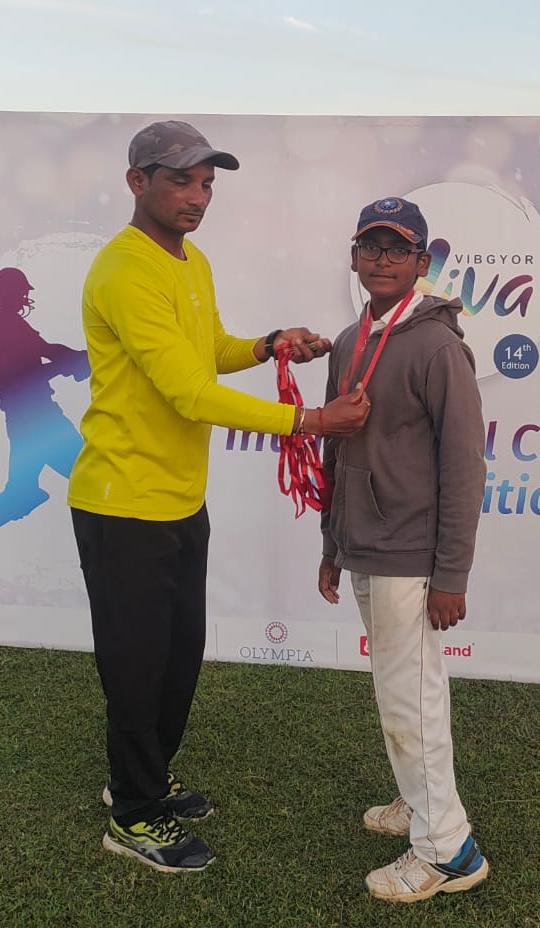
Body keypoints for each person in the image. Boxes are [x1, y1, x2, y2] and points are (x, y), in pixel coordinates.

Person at [67, 120, 371, 874]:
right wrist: (310, 420)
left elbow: (206, 354)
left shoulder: (189, 261)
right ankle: (132, 814)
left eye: (206, 183)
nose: (198, 196)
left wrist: (267, 344)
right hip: (122, 504)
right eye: (181, 180)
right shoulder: (124, 270)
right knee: (136, 667)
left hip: (177, 501)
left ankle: (143, 777)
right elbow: (190, 393)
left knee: (178, 657)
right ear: (137, 181)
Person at [317, 196, 491, 904]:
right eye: (370, 247)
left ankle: (448, 850)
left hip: (411, 554)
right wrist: (331, 540)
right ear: (354, 257)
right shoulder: (348, 339)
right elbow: (336, 449)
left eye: (397, 249)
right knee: (403, 691)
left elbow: (464, 466)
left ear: (422, 262)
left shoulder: (437, 347)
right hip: (362, 542)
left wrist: (451, 573)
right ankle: (419, 802)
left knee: (409, 698)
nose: (382, 260)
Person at [0, 267, 88, 565]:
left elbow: (47, 350)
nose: (24, 297)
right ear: (7, 294)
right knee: (89, 475)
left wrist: (78, 358)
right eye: (21, 292)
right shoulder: (4, 327)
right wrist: (68, 364)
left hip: (29, 419)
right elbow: (20, 379)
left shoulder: (12, 324)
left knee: (20, 495)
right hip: (38, 421)